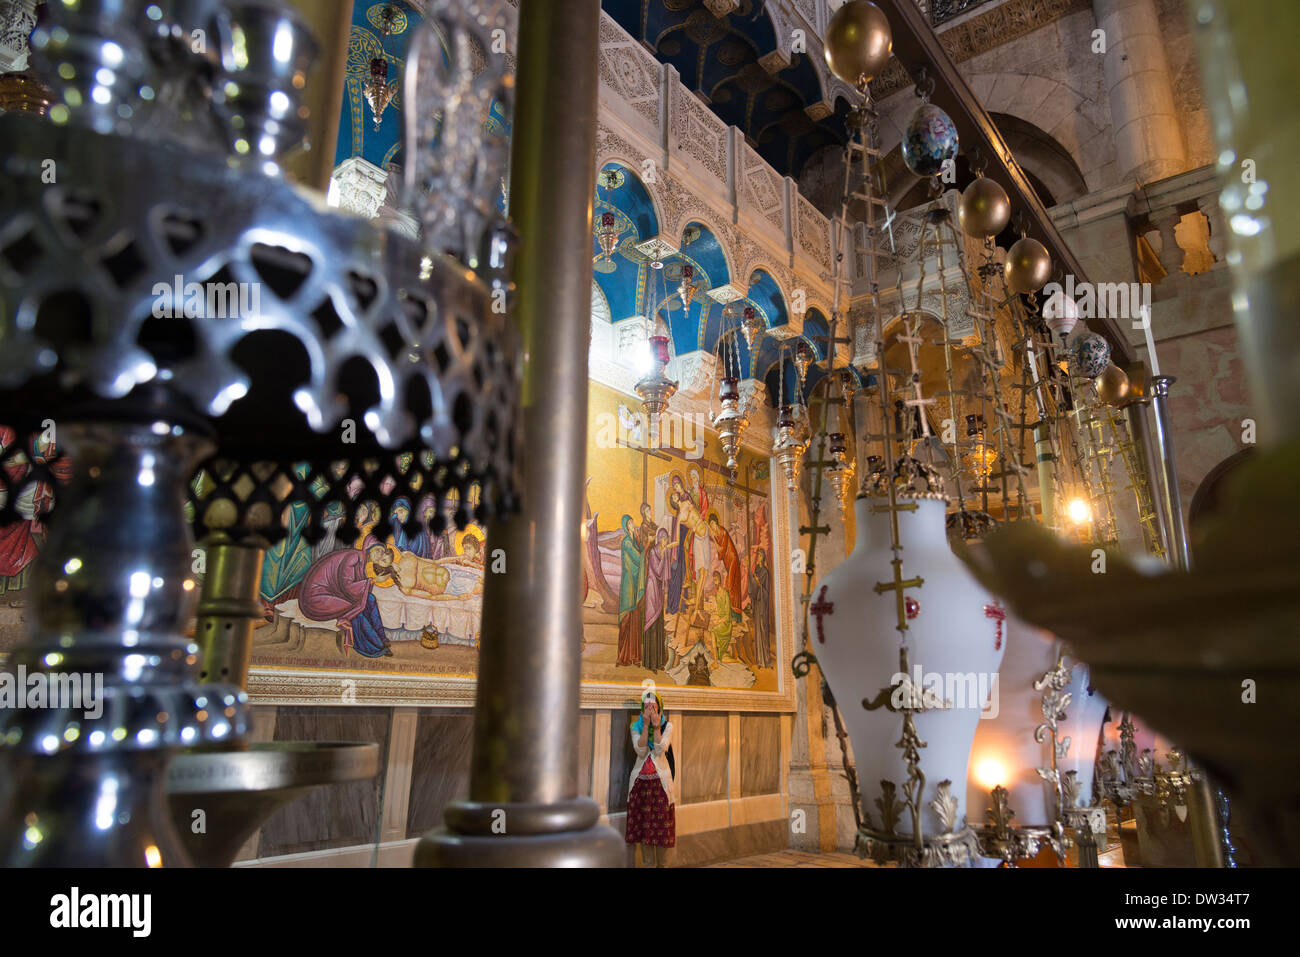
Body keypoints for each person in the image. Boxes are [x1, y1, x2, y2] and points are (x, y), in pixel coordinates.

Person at [626, 689, 675, 867]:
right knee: (645, 831)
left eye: (653, 706)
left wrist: (655, 726)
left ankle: (662, 865)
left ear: (659, 707)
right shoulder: (635, 726)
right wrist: (645, 726)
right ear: (641, 709)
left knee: (662, 830)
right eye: (646, 706)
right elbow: (640, 751)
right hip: (640, 786)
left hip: (660, 787)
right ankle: (648, 865)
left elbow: (660, 750)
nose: (649, 709)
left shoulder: (667, 726)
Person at [616, 514, 644, 666]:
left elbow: (639, 554)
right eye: (631, 523)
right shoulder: (627, 542)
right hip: (629, 586)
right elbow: (638, 558)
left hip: (635, 584)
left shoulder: (635, 541)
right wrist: (647, 548)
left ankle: (635, 657)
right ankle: (623, 656)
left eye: (633, 522)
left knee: (635, 620)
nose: (634, 525)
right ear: (627, 527)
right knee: (627, 619)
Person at [642, 528, 671, 672]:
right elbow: (658, 571)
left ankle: (659, 662)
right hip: (652, 589)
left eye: (667, 539)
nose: (665, 542)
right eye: (664, 539)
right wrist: (665, 554)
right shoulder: (653, 552)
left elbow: (666, 573)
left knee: (659, 625)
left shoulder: (664, 551)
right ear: (660, 539)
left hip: (658, 590)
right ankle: (650, 663)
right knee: (652, 624)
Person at [746, 547, 773, 669]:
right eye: (758, 556)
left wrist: (755, 580)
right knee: (757, 629)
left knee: (762, 629)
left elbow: (764, 590)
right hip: (757, 603)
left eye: (760, 556)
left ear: (763, 557)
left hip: (762, 604)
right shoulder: (757, 569)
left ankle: (765, 659)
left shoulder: (765, 572)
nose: (758, 558)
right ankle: (759, 660)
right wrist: (750, 573)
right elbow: (753, 585)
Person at [710, 570, 734, 661]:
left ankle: (716, 661)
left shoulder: (725, 593)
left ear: (720, 580)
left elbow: (727, 616)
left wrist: (718, 621)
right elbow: (720, 610)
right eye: (714, 580)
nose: (715, 582)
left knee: (713, 631)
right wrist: (714, 614)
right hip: (721, 620)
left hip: (727, 624)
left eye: (716, 580)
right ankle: (717, 657)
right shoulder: (717, 594)